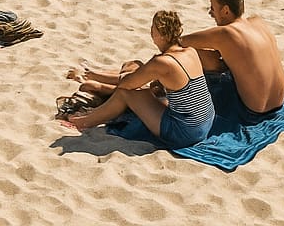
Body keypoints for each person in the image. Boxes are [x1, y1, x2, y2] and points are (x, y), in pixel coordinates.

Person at [65, 10, 215, 150]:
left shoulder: (163, 62)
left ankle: (84, 121)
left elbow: (127, 83)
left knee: (126, 93)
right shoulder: (190, 51)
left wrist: (94, 75)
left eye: (153, 29)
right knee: (145, 89)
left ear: (161, 35)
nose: (151, 32)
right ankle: (95, 105)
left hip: (184, 132)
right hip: (205, 122)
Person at [180, 0, 284, 121]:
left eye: (212, 8)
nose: (210, 13)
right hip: (279, 103)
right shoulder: (258, 22)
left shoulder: (226, 33)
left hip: (253, 110)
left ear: (225, 10)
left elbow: (181, 41)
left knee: (194, 53)